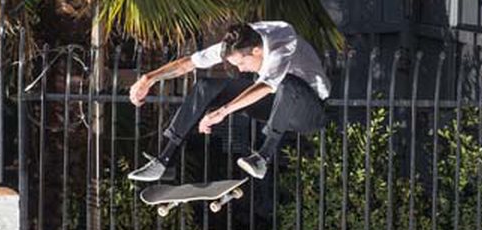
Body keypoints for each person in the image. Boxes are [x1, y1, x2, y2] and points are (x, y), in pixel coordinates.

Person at [127, 21, 330, 182]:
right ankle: (165, 160)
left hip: (308, 110)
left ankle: (262, 158)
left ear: (257, 51)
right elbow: (190, 63)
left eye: (242, 63)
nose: (240, 69)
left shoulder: (283, 39)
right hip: (273, 103)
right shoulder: (239, 41)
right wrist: (149, 78)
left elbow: (266, 85)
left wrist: (222, 111)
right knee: (207, 86)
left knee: (286, 83)